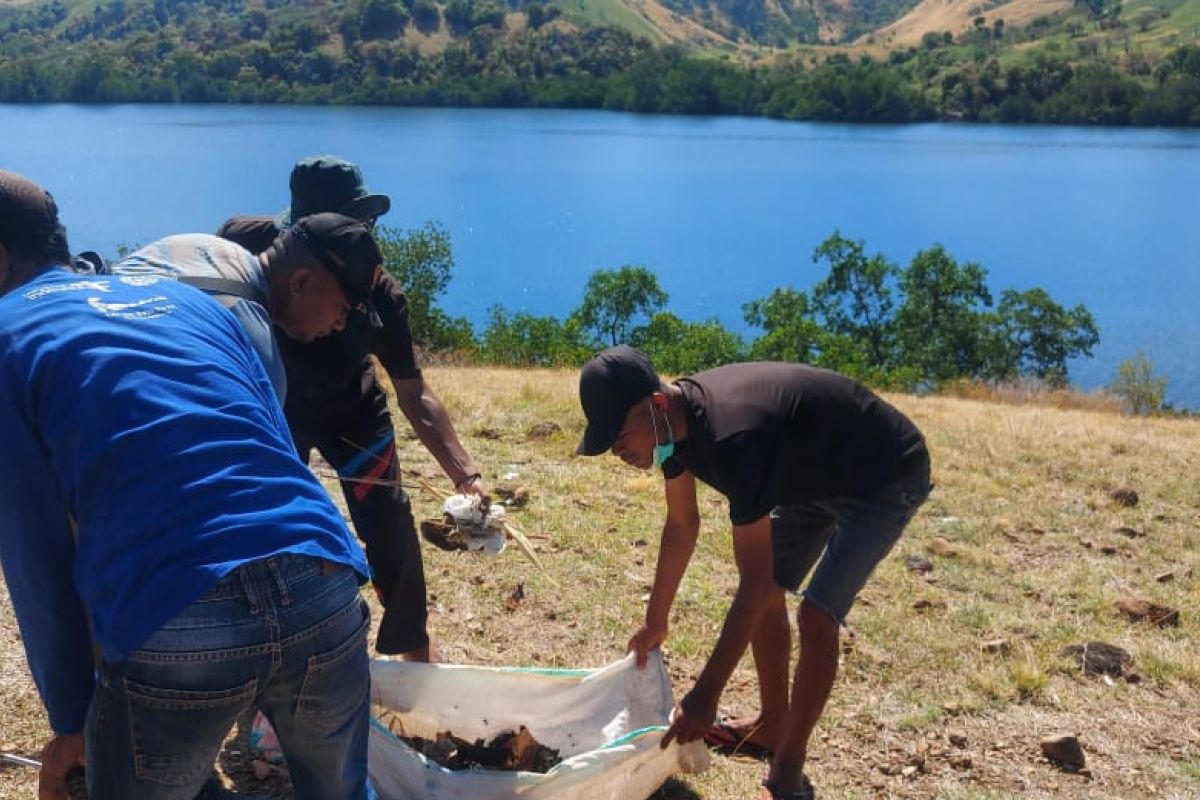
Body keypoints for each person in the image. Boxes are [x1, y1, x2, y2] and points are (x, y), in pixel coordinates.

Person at [0, 170, 376, 800]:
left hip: (181, 619)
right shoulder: (190, 303)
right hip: (323, 581)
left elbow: (35, 555)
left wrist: (71, 722)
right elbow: (273, 448)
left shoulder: (8, 336)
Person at [576, 346, 932, 800]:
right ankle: (770, 724)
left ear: (657, 404)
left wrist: (704, 696)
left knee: (816, 615)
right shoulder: (672, 433)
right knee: (771, 591)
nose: (616, 449)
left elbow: (755, 582)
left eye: (619, 433)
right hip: (809, 474)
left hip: (884, 473)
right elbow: (682, 524)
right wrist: (655, 621)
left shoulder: (733, 438)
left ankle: (788, 770)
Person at [218, 155, 488, 662]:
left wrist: (465, 475)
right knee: (271, 530)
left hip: (353, 412)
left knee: (390, 524)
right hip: (280, 416)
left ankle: (413, 645)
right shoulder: (249, 246)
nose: (368, 231)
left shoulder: (377, 290)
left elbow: (414, 390)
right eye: (355, 218)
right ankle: (263, 659)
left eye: (368, 220)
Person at [111, 212, 384, 402]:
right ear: (301, 282)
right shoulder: (256, 356)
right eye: (344, 308)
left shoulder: (197, 244)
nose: (340, 324)